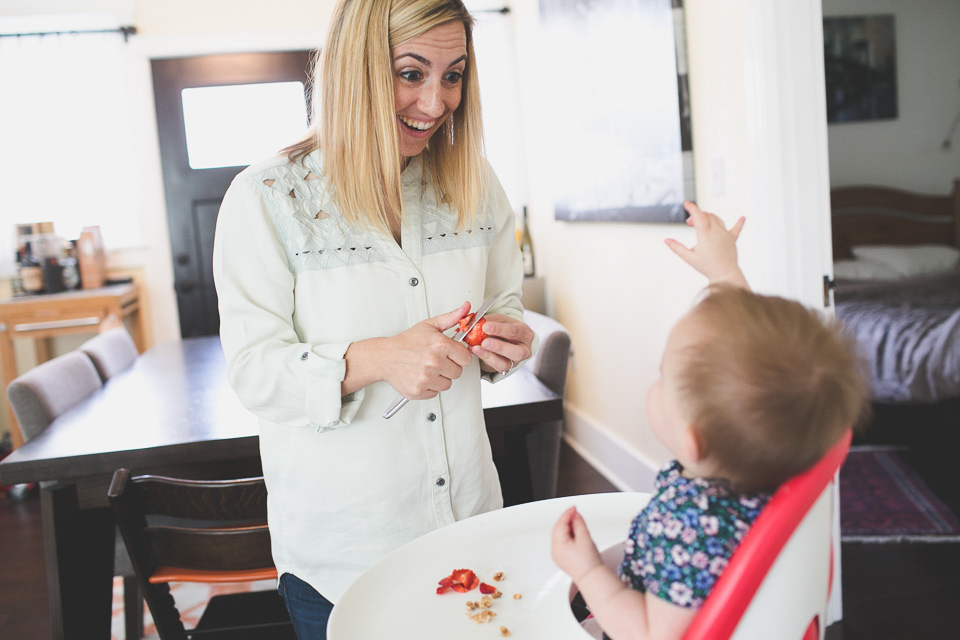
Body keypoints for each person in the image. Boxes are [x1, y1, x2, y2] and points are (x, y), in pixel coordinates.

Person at [212, 0, 535, 636]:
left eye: (453, 75)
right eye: (411, 74)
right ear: (355, 71)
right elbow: (254, 374)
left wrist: (504, 339)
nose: (436, 103)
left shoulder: (476, 184)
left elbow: (504, 304)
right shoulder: (267, 199)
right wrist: (379, 358)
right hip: (345, 557)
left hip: (471, 529)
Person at [550, 202, 868, 640]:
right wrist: (724, 270)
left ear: (692, 441)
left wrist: (584, 569)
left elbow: (650, 633)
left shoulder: (686, 529)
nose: (655, 380)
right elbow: (757, 351)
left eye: (663, 376)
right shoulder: (782, 449)